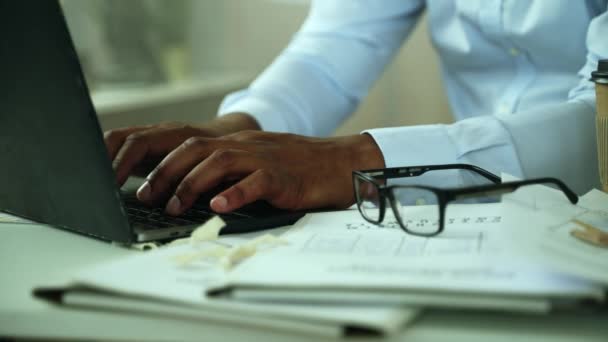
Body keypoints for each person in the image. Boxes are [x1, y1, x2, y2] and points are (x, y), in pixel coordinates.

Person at [105, 1, 608, 216]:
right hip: (465, 213)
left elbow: (602, 119)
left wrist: (358, 160)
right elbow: (333, 48)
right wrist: (229, 133)